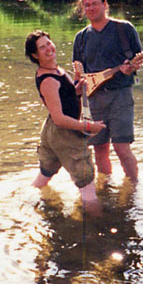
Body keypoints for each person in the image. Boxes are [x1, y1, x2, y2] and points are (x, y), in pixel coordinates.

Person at [72, 0, 143, 184]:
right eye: (86, 5)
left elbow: (135, 62)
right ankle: (105, 188)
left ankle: (132, 189)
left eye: (95, 4)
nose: (91, 8)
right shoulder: (80, 38)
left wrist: (130, 68)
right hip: (94, 99)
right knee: (99, 149)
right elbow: (78, 72)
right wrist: (77, 85)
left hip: (120, 95)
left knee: (122, 147)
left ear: (105, 4)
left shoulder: (124, 29)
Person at [25, 29, 105, 213]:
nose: (48, 49)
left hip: (51, 132)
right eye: (42, 48)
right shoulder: (48, 80)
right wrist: (88, 126)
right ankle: (100, 225)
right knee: (87, 184)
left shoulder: (56, 70)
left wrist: (77, 87)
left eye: (49, 43)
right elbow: (60, 119)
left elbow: (65, 97)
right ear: (35, 55)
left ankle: (26, 202)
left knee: (45, 174)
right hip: (63, 133)